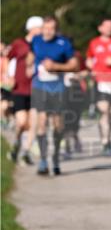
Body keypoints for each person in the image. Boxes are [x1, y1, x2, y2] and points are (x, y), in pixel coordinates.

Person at [30, 15, 78, 176]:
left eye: (51, 28)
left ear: (56, 29)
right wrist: (28, 67)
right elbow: (31, 55)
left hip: (57, 87)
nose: (48, 31)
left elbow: (74, 64)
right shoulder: (36, 40)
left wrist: (56, 66)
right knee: (42, 121)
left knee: (58, 125)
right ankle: (43, 161)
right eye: (46, 28)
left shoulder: (63, 43)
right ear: (42, 28)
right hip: (40, 86)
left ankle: (56, 157)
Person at [3, 16, 42, 165]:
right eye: (39, 27)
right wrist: (7, 75)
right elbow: (7, 57)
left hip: (37, 88)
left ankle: (25, 152)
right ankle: (16, 145)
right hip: (19, 88)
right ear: (32, 28)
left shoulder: (41, 44)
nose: (41, 30)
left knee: (33, 123)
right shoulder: (19, 44)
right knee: (21, 122)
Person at [85, 19, 111, 155]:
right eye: (107, 26)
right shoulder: (94, 43)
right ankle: (105, 142)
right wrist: (90, 64)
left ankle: (108, 138)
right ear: (100, 28)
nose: (109, 29)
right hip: (100, 81)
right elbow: (89, 58)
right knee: (104, 110)